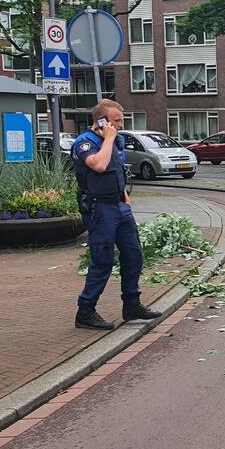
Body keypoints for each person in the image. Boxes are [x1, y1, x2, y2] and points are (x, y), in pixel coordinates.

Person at [71, 99, 161, 330]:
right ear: (100, 121)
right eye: (116, 121)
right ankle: (86, 310)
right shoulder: (84, 143)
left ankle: (132, 305)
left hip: (119, 206)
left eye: (121, 120)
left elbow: (117, 168)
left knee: (134, 255)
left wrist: (125, 196)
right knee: (103, 260)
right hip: (99, 208)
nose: (120, 125)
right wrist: (108, 138)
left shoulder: (117, 141)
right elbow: (99, 165)